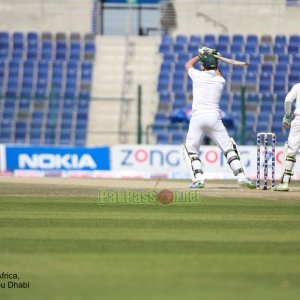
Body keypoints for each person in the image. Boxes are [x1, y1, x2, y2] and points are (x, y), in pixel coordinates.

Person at [182, 47, 255, 189]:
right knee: (228, 148)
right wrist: (214, 60)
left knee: (191, 149)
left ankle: (198, 179)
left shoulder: (197, 75)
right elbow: (217, 72)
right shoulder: (220, 81)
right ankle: (242, 177)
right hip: (214, 118)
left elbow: (188, 65)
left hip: (197, 117)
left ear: (202, 65)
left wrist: (200, 55)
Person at [274, 83, 300, 191]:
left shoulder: (298, 86)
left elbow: (288, 100)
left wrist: (287, 115)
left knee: (291, 151)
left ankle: (285, 183)